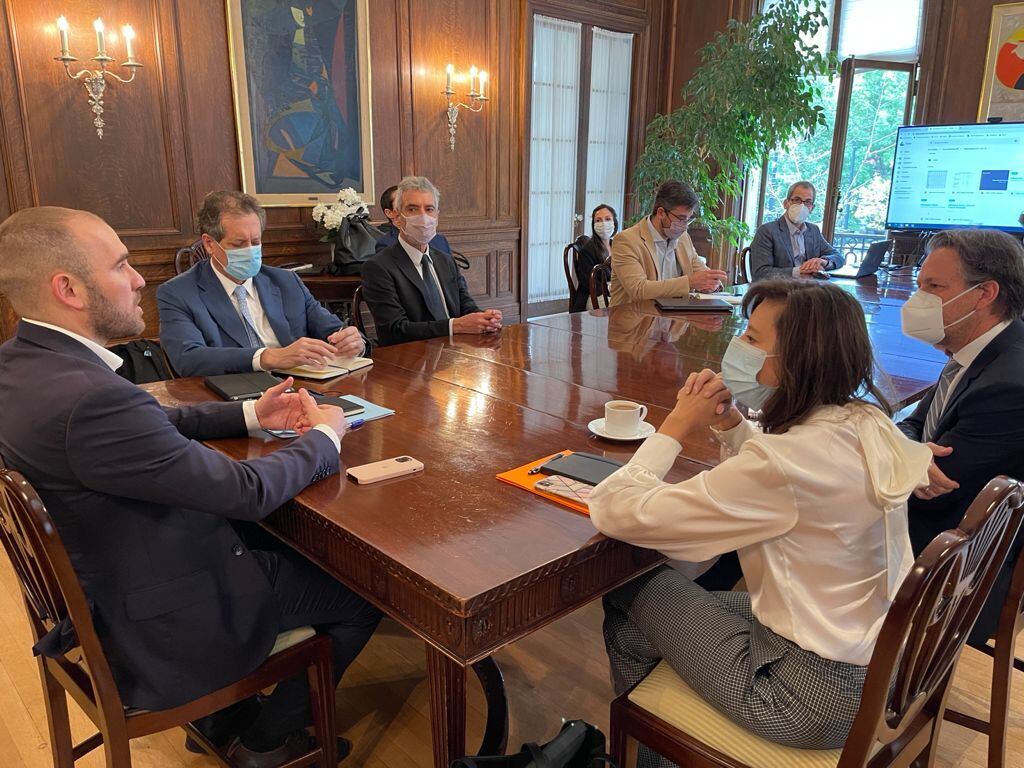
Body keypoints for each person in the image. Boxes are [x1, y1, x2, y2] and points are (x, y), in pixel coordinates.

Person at [0, 207, 381, 767]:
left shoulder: (23, 364)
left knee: (279, 542)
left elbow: (144, 428)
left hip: (110, 582)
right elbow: (246, 491)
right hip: (166, 619)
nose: (138, 280)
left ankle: (222, 715)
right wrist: (324, 436)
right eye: (123, 265)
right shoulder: (90, 398)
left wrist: (252, 413)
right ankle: (267, 742)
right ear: (69, 289)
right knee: (362, 590)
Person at [589, 280, 931, 767]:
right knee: (648, 623)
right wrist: (732, 425)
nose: (737, 348)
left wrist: (676, 426)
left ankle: (656, 742)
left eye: (751, 339)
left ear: (797, 360)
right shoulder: (866, 420)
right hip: (878, 663)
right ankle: (657, 745)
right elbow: (784, 479)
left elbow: (614, 508)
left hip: (805, 699)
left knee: (627, 583)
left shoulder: (784, 463)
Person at [897, 228, 1024, 643]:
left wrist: (898, 458)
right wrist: (907, 452)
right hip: (948, 530)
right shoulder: (980, 348)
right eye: (920, 285)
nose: (919, 300)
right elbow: (917, 425)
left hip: (959, 564)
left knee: (789, 504)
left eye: (934, 287)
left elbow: (934, 485)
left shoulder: (1009, 381)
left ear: (984, 294)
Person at [158, 191, 369, 377]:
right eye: (238, 244)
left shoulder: (286, 281)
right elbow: (188, 359)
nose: (250, 250)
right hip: (234, 399)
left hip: (303, 387)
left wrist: (353, 341)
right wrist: (267, 357)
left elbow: (333, 330)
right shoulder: (178, 293)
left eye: (256, 242)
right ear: (209, 244)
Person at [361, 176, 502, 346]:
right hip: (410, 360)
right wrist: (454, 326)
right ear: (397, 218)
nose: (423, 217)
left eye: (429, 209)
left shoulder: (445, 260)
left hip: (457, 355)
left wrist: (484, 319)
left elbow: (466, 306)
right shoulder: (378, 267)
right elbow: (394, 330)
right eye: (412, 209)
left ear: (437, 215)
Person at [609, 180, 727, 307]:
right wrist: (689, 283)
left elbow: (700, 272)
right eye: (681, 219)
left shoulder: (683, 238)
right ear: (661, 213)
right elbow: (639, 289)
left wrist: (712, 284)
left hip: (675, 320)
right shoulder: (627, 240)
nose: (685, 226)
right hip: (635, 320)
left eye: (689, 219)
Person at [747, 181, 843, 281]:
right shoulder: (767, 231)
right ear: (786, 203)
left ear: (812, 208)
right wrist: (799, 271)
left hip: (809, 289)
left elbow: (838, 257)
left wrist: (824, 262)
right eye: (797, 200)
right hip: (777, 291)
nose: (802, 206)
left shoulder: (813, 231)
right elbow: (761, 273)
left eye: (807, 202)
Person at [374, 184, 453, 254]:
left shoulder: (440, 240)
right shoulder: (386, 244)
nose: (423, 215)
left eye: (428, 209)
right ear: (391, 213)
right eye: (412, 209)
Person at [569, 204, 618, 313]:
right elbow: (588, 282)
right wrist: (610, 290)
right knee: (620, 308)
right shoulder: (587, 250)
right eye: (598, 220)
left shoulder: (618, 246)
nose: (603, 223)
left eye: (608, 219)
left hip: (614, 293)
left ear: (614, 223)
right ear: (593, 225)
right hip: (593, 295)